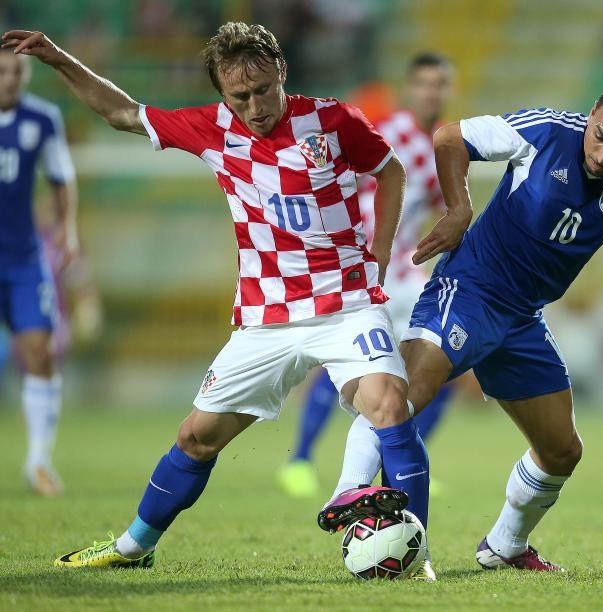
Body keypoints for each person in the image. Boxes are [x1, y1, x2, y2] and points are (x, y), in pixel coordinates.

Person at [2, 23, 432, 578]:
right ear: (223, 96)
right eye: (240, 97)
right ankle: (135, 546)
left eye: (264, 90)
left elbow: (389, 170)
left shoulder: (333, 120)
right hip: (264, 319)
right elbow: (123, 113)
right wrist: (59, 59)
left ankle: (418, 555)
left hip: (347, 303)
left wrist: (377, 253)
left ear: (282, 74)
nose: (255, 107)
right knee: (195, 437)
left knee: (390, 405)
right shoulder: (209, 128)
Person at [321, 76, 603, 574]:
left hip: (523, 319)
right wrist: (460, 207)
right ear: (593, 113)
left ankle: (505, 544)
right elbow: (449, 137)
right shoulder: (546, 131)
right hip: (470, 290)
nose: (602, 155)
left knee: (561, 450)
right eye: (599, 135)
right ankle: (349, 492)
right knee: (403, 395)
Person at [277, 52, 456, 499]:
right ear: (410, 88)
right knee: (343, 367)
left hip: (405, 274)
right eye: (425, 84)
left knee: (445, 361)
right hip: (359, 267)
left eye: (440, 84)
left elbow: (433, 206)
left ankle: (405, 462)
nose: (432, 92)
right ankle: (299, 460)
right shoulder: (384, 134)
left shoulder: (443, 146)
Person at [0, 47, 79, 497]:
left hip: (24, 258)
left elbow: (61, 178)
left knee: (40, 352)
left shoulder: (43, 119)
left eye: (18, 70)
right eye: (3, 71)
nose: (10, 79)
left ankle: (38, 460)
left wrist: (67, 231)